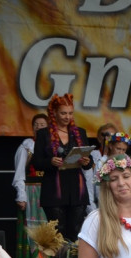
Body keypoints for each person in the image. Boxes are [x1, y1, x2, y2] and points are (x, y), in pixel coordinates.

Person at [31, 93, 92, 243]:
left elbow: (89, 164)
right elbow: (36, 162)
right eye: (63, 113)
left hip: (76, 190)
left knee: (76, 230)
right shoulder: (44, 134)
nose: (67, 117)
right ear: (54, 113)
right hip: (54, 190)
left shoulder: (80, 132)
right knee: (58, 233)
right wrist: (50, 162)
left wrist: (86, 161)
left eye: (70, 113)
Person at [12, 113, 48, 258]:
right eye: (36, 125)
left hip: (48, 191)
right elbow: (19, 172)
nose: (39, 128)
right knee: (32, 228)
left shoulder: (52, 147)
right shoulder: (27, 147)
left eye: (42, 125)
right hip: (32, 192)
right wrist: (21, 195)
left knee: (49, 227)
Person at [85, 122, 117, 213]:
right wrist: (92, 210)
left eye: (112, 135)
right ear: (99, 139)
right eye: (105, 135)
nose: (108, 138)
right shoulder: (92, 155)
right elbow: (89, 184)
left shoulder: (122, 158)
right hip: (98, 204)